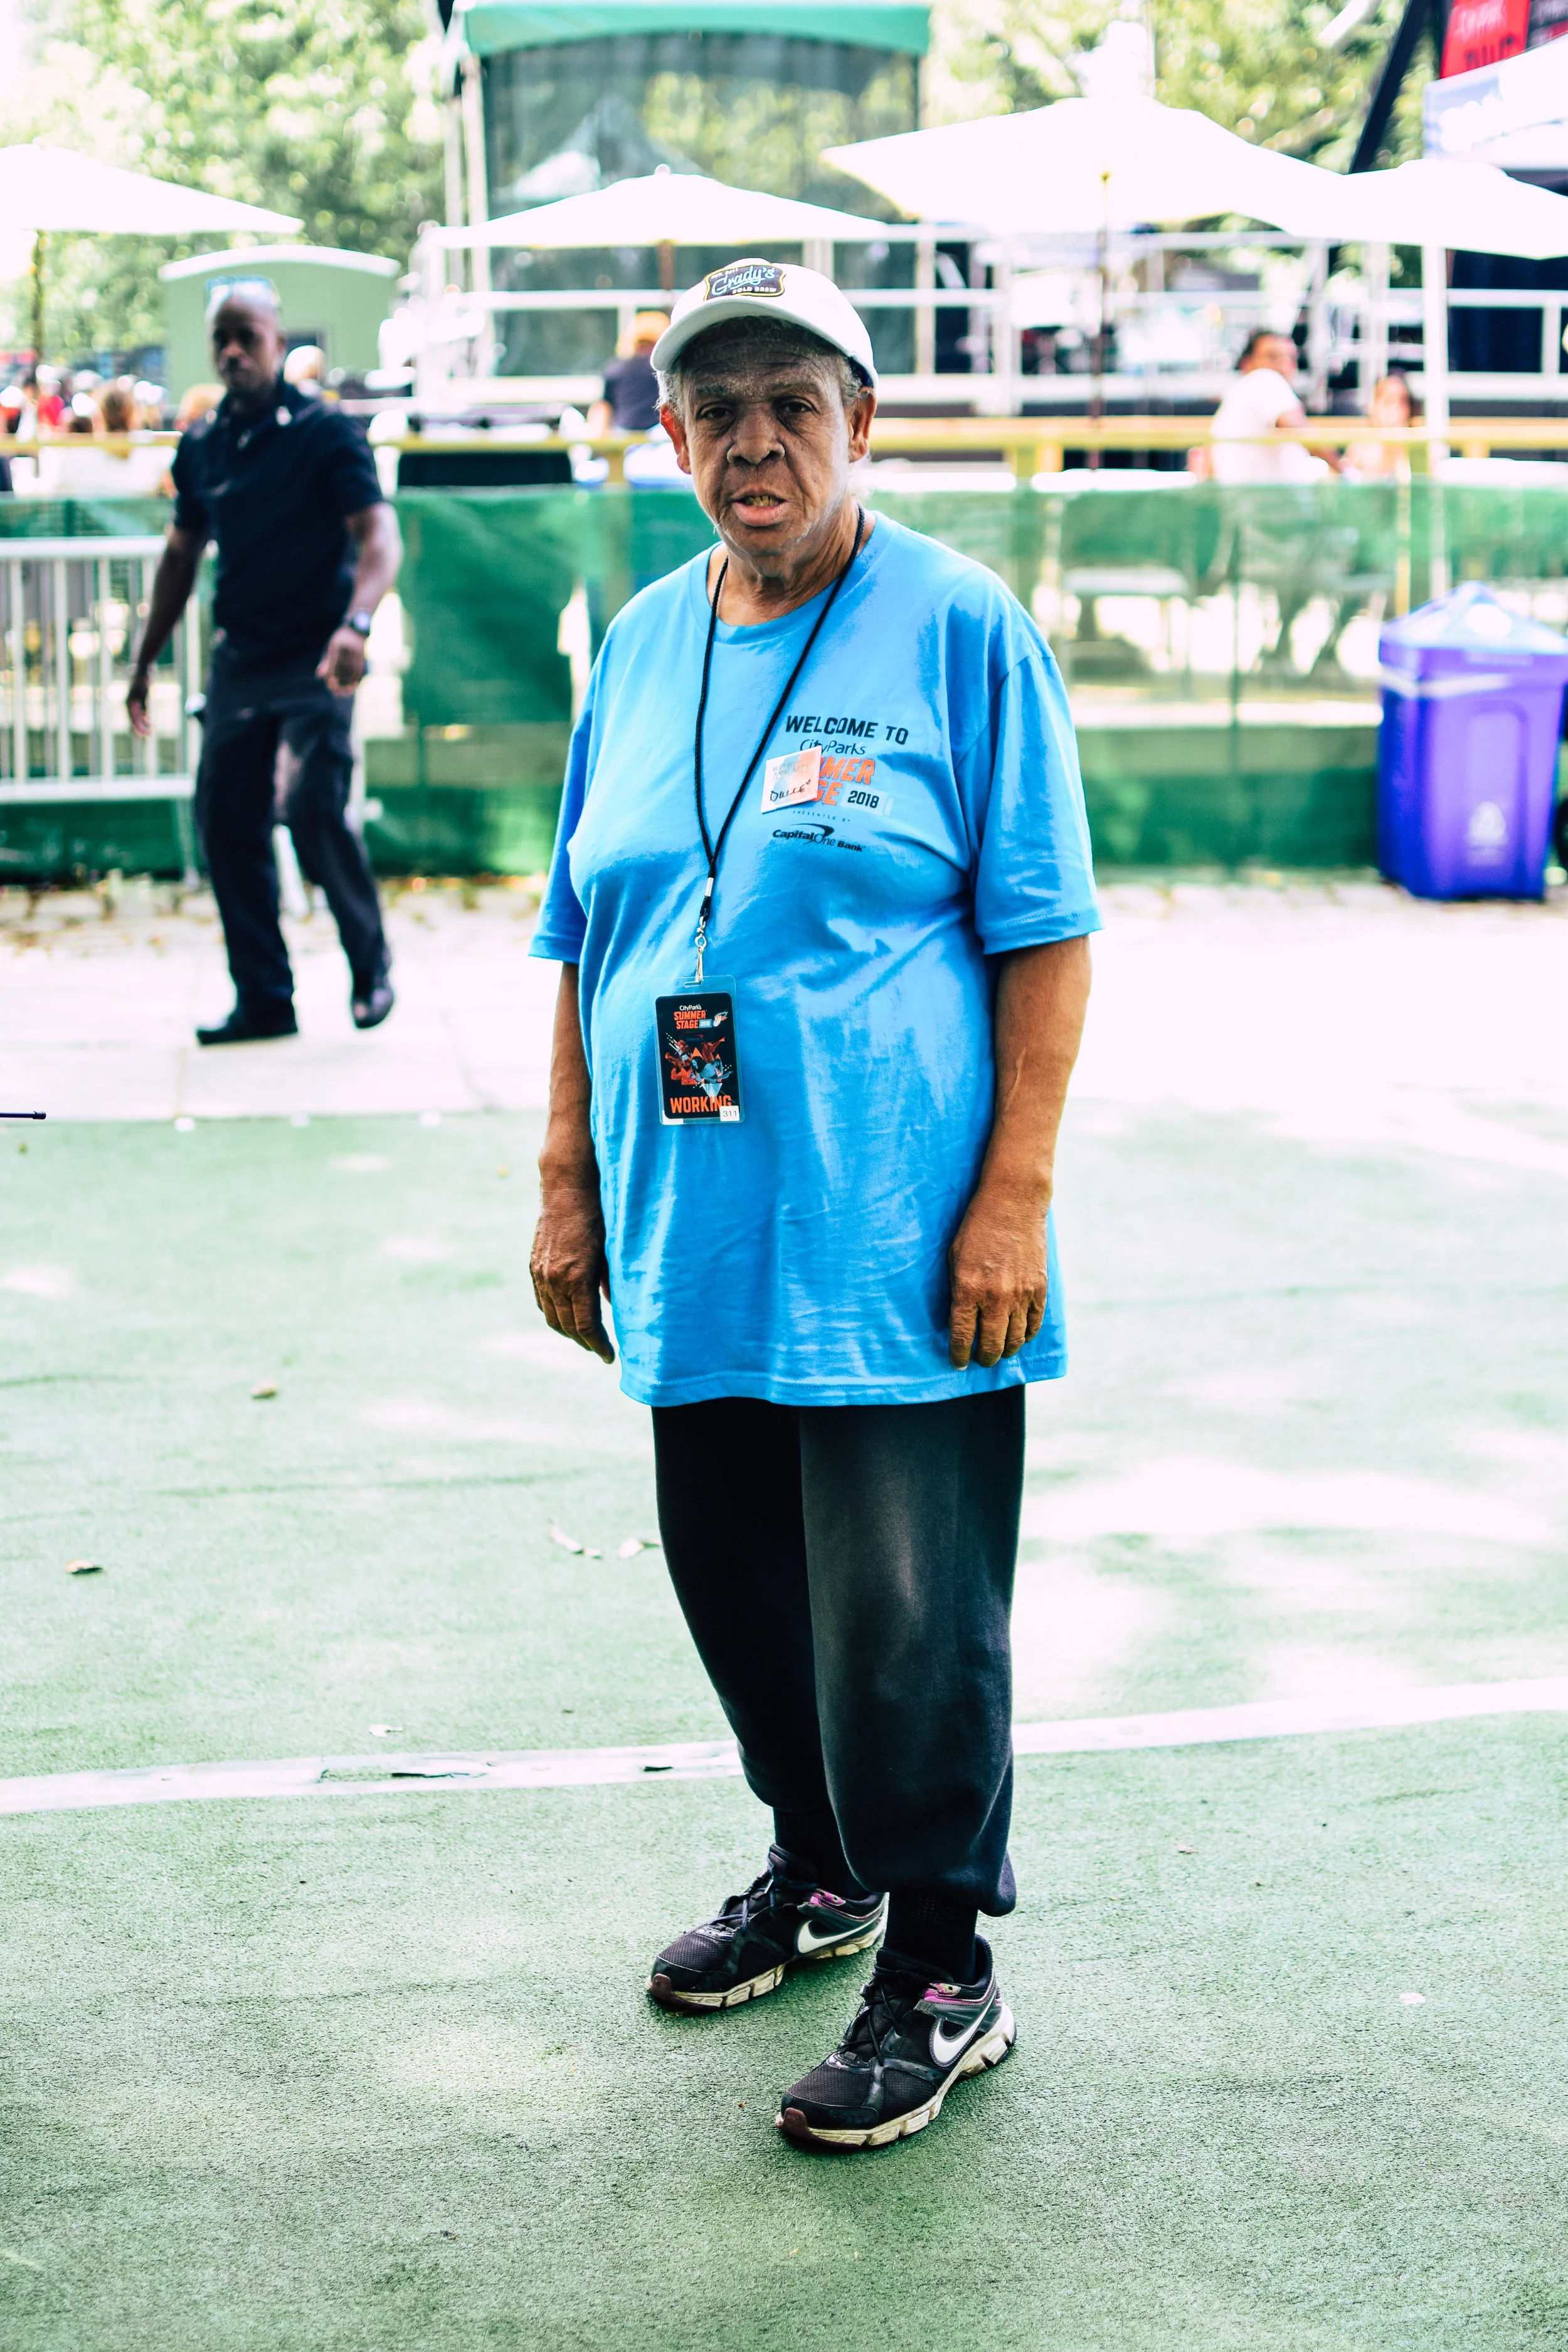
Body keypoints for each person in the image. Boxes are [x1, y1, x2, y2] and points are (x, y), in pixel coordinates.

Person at [529, 258, 1098, 2154]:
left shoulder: (954, 625)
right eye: (718, 406)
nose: (754, 439)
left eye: (795, 401)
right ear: (666, 428)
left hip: (892, 1227)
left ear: (859, 419)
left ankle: (938, 1960)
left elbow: (1042, 927)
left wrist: (1010, 1194)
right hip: (690, 1210)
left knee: (900, 1608)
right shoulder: (638, 639)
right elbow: (583, 927)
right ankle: (817, 1857)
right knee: (732, 1569)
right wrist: (563, 1174)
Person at [127, 287, 401, 1044]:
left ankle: (371, 964)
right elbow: (181, 555)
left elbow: (380, 537)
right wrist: (143, 660)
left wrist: (357, 623)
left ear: (278, 341)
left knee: (313, 804)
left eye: (247, 336)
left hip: (321, 654)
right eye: (222, 339)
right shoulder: (204, 442)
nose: (232, 352)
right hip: (240, 661)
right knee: (225, 820)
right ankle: (264, 999)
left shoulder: (323, 433)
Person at [1207, 330, 1339, 484]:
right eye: (1272, 357)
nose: (1284, 366)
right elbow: (1300, 431)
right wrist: (1346, 472)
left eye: (1291, 358)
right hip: (1269, 503)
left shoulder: (1236, 396)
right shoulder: (1265, 379)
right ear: (1247, 363)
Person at [585, 310, 669, 437]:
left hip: (624, 438)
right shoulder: (665, 369)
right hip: (660, 438)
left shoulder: (615, 368)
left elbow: (602, 410)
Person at [1341, 371, 1417, 483]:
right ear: (1375, 406)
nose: (1396, 409)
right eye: (1388, 401)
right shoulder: (1360, 447)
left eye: (1403, 402)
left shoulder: (1419, 446)